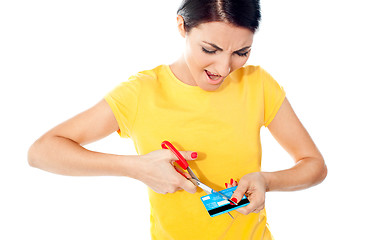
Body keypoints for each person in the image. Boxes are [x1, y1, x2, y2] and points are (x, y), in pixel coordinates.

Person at [28, 0, 327, 239]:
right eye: (210, 49)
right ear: (182, 27)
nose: (223, 68)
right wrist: (135, 168)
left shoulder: (259, 85)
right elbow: (41, 152)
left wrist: (267, 181)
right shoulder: (141, 93)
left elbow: (313, 165)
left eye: (241, 52)